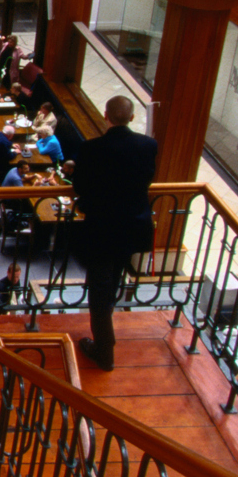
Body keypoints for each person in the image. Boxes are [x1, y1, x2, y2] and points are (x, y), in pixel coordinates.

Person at [73, 96, 158, 371]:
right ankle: (106, 334)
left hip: (102, 229)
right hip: (133, 228)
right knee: (113, 281)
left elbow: (80, 187)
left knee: (99, 289)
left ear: (106, 115)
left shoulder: (92, 149)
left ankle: (104, 352)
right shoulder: (148, 146)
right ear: (132, 118)